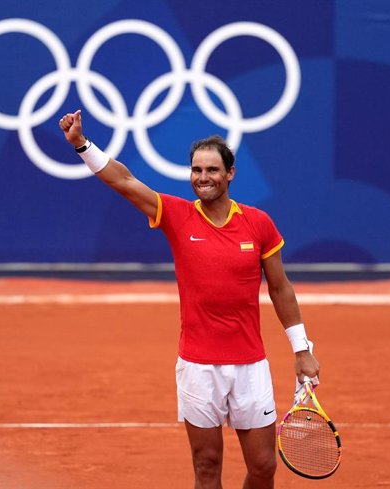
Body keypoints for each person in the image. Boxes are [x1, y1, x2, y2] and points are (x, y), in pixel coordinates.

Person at [59, 110, 320, 489]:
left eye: (212, 170)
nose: (203, 177)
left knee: (264, 467)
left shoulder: (258, 223)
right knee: (207, 467)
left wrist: (302, 348)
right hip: (198, 367)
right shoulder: (177, 215)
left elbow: (280, 287)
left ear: (230, 174)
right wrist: (82, 145)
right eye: (196, 170)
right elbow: (125, 181)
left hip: (250, 367)